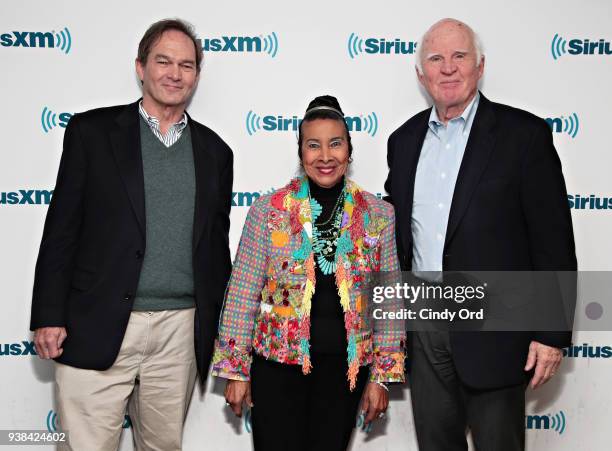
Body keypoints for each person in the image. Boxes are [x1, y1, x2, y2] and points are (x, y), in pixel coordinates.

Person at [29, 18, 233, 451]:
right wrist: (49, 312)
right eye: (163, 61)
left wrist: (222, 328)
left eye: (187, 65)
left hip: (180, 329)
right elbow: (62, 228)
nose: (175, 73)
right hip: (96, 319)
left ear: (197, 75)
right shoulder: (92, 133)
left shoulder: (216, 152)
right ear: (140, 67)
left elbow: (214, 247)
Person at [385, 18, 576, 451]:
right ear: (421, 74)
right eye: (436, 59)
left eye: (459, 56)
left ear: (480, 66)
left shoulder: (523, 136)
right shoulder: (404, 140)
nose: (448, 68)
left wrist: (551, 331)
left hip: (496, 330)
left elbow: (553, 241)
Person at [212, 95, 405, 451]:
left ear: (350, 149)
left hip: (343, 374)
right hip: (276, 368)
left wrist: (382, 376)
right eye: (313, 145)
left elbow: (389, 301)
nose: (325, 156)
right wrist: (236, 370)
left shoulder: (378, 215)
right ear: (301, 152)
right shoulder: (268, 211)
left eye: (335, 143)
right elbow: (242, 292)